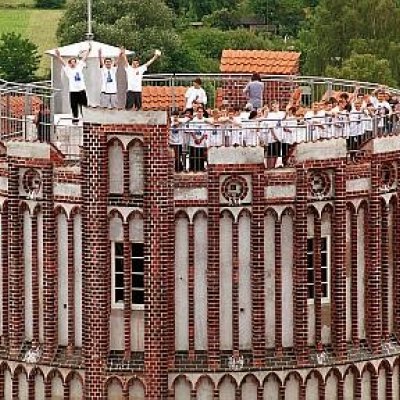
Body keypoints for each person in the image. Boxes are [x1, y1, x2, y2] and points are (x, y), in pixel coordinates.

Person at [54, 44, 91, 124]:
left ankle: (86, 121)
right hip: (73, 91)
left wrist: (88, 50)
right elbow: (63, 62)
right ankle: (75, 121)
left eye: (74, 62)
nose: (73, 64)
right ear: (70, 63)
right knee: (74, 107)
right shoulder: (68, 70)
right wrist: (58, 55)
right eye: (71, 62)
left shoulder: (79, 67)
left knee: (84, 106)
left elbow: (84, 58)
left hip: (81, 89)